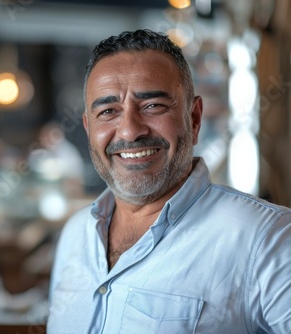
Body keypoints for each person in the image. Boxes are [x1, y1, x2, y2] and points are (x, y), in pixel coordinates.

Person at [47, 29, 291, 333]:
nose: (129, 131)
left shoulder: (268, 238)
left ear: (194, 119)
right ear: (87, 128)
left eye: (153, 106)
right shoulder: (75, 234)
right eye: (108, 111)